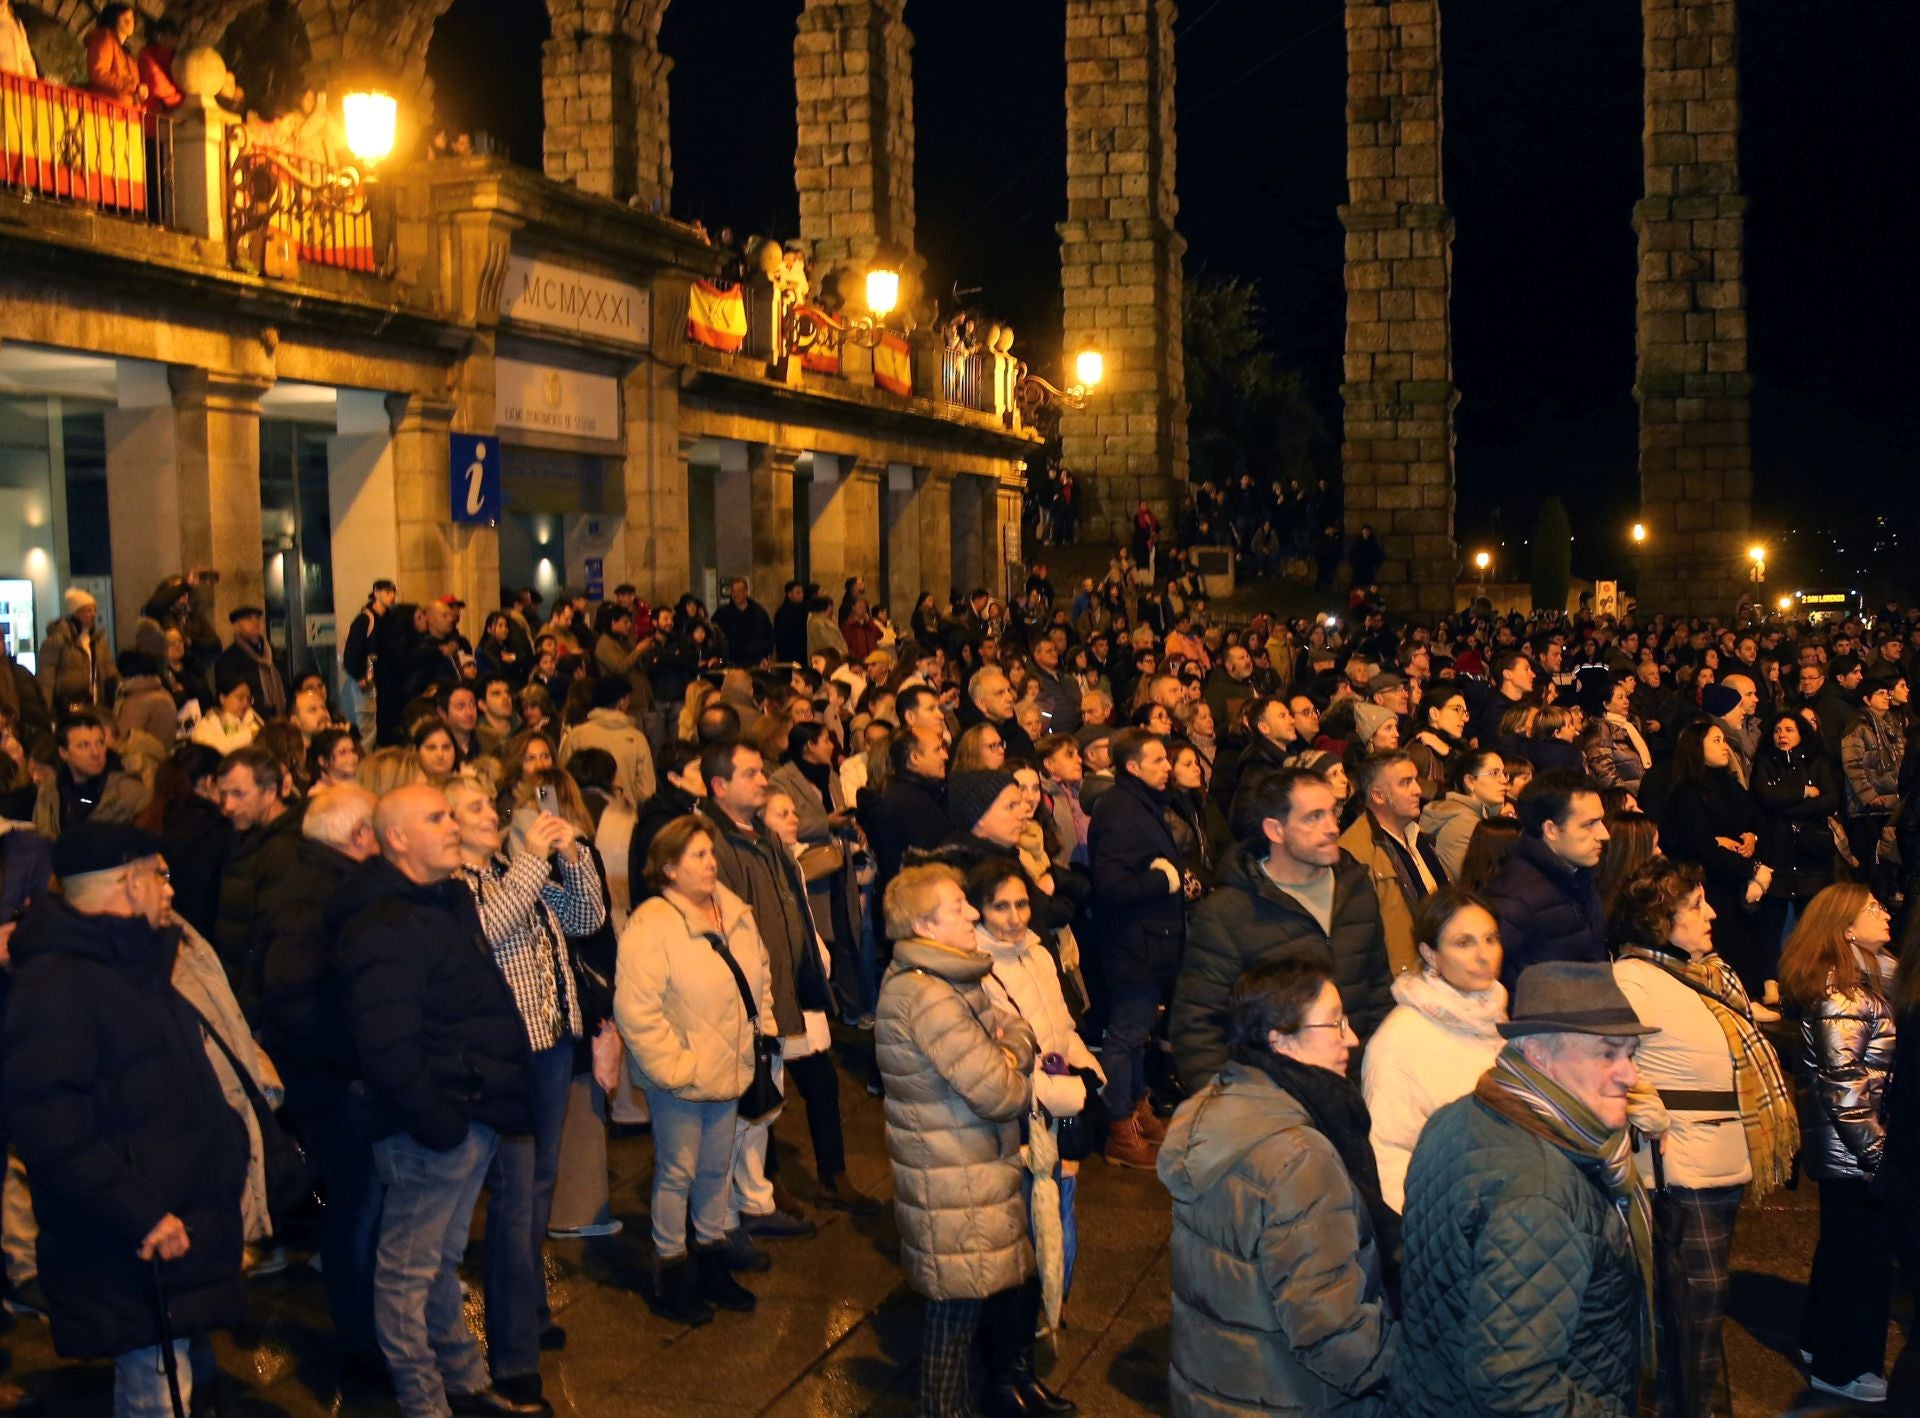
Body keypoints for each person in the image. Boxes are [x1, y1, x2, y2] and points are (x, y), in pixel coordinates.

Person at [4, 823, 249, 1416]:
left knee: (166, 1381)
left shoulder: (131, 967)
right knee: (157, 1393)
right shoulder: (60, 984)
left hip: (173, 1228)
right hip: (130, 1243)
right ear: (130, 883)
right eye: (160, 875)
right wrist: (143, 1215)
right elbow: (52, 1129)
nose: (170, 890)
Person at [329, 784, 542, 1418]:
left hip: (466, 1115)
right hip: (434, 1126)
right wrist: (443, 1123)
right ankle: (425, 1402)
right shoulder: (383, 924)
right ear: (396, 838)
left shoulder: (439, 901)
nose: (453, 826)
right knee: (407, 1276)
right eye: (436, 817)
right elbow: (388, 1044)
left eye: (453, 815)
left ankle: (466, 1386)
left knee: (439, 1263)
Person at [1393, 961, 1654, 1416]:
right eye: (1607, 1053)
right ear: (1537, 1053)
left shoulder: (1457, 1118)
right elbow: (1515, 1384)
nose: (1629, 1075)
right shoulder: (1542, 1190)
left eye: (1630, 1054)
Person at [1160, 957, 1397, 1415]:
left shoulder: (1221, 1107)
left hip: (1221, 1390)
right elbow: (1330, 1329)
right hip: (1296, 1398)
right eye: (1335, 1023)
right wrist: (1410, 1369)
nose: (1351, 1037)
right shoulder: (1300, 1156)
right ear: (1280, 1039)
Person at [1608, 857, 1795, 1418]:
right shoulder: (1633, 979)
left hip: (1721, 1158)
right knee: (1693, 1306)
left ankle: (1694, 1403)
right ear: (1659, 919)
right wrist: (1650, 1114)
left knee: (1699, 1308)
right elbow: (1613, 1063)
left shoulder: (1708, 972)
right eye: (1694, 906)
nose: (1710, 913)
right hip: (1681, 1168)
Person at [441, 776, 604, 1407]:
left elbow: (586, 917)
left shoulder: (517, 869)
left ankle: (530, 1310)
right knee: (511, 1199)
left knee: (539, 1185)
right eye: (477, 807)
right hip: (504, 1058)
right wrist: (536, 863)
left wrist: (572, 854)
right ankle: (512, 1358)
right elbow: (488, 932)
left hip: (552, 1043)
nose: (496, 813)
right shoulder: (458, 885)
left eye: (492, 804)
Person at [875, 864, 1044, 1418]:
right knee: (955, 1315)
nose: (974, 912)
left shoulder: (951, 980)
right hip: (954, 1180)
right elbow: (1000, 1094)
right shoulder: (929, 997)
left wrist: (1007, 1049)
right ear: (924, 925)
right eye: (958, 908)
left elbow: (1019, 1028)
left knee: (968, 1306)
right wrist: (1009, 1058)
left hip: (966, 1172)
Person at [254, 784, 389, 1382]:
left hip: (332, 1077)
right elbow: (295, 996)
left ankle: (368, 1329)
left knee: (358, 1201)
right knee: (356, 1204)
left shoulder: (316, 880)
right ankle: (362, 1341)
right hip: (333, 1083)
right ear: (359, 835)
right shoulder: (317, 893)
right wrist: (354, 1059)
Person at [617, 815, 773, 1324]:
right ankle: (671, 1269)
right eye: (699, 856)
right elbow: (638, 1010)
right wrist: (676, 1066)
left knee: (714, 1169)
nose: (712, 863)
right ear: (667, 868)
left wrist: (760, 1031)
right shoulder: (652, 924)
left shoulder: (733, 911)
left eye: (712, 853)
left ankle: (711, 1259)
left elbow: (760, 975)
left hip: (729, 1068)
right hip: (681, 1079)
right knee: (677, 1172)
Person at [1173, 768, 1393, 1091]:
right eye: (1313, 817)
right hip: (1277, 1103)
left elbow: (1377, 990)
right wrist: (1235, 1112)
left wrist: (1378, 1078)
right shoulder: (1227, 914)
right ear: (1275, 830)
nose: (1333, 827)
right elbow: (1198, 1030)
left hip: (1358, 1090)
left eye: (1332, 812)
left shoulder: (1356, 888)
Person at [967, 859, 1101, 1330]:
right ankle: (1025, 1310)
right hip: (1022, 1110)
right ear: (977, 910)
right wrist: (1059, 1091)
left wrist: (1086, 1068)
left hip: (1059, 1099)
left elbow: (1061, 1025)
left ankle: (1053, 1300)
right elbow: (999, 1056)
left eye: (1021, 903)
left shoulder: (1039, 953)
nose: (1014, 917)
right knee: (1026, 1212)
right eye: (999, 906)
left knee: (1061, 1201)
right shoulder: (977, 972)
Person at [1778, 882, 1896, 1404]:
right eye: (1872, 908)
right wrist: (1877, 1153)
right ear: (1846, 927)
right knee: (1860, 1257)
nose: (1886, 912)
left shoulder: (1862, 980)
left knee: (1843, 1249)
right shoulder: (1845, 991)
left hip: (1849, 1146)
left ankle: (1818, 1344)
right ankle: (1841, 1365)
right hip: (1855, 1149)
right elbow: (1842, 1080)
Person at [1362, 886, 1507, 1213]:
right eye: (1464, 943)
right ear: (1430, 954)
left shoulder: (1491, 1014)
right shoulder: (1399, 1041)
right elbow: (1388, 1157)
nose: (1484, 955)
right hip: (1446, 1224)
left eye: (1491, 938)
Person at [1087, 728, 1187, 1167]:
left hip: (1151, 944)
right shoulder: (1120, 810)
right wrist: (1161, 880)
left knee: (1138, 1033)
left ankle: (1136, 1107)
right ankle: (1119, 1128)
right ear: (1132, 766)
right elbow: (1110, 888)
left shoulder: (1141, 804)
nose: (1168, 767)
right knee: (1126, 1036)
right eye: (1158, 761)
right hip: (1135, 947)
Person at [1660, 722, 1770, 1000]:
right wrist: (1751, 869)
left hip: (1736, 878)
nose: (1725, 747)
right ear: (1698, 747)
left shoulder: (1727, 782)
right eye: (1717, 740)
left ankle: (1751, 992)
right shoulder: (1686, 790)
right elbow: (1699, 844)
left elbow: (1755, 816)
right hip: (1713, 881)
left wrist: (1751, 837)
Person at [1480, 770, 1609, 996]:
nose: (1604, 834)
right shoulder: (1514, 896)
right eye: (1589, 824)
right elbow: (1483, 979)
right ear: (1550, 830)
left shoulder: (1579, 875)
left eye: (1601, 821)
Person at [1749, 707, 1841, 1007]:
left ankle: (1812, 981)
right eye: (1777, 730)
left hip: (1811, 853)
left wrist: (1786, 803)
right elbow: (1763, 797)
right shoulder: (1764, 762)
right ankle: (1770, 981)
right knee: (1771, 922)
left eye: (1788, 730)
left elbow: (1828, 801)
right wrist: (1803, 791)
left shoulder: (1817, 761)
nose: (1782, 735)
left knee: (1812, 922)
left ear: (1801, 733)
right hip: (1776, 851)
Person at [1338, 752, 1445, 978]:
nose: (1418, 789)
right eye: (1406, 783)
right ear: (1378, 796)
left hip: (1434, 970)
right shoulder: (1356, 852)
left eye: (1415, 780)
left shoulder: (1416, 835)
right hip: (1402, 981)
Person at [558, 675, 655, 807]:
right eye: (628, 699)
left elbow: (563, 779)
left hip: (584, 814)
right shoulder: (637, 738)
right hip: (624, 816)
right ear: (621, 701)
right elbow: (646, 791)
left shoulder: (576, 735)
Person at [1418, 749, 1509, 882]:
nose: (1504, 780)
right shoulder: (1462, 822)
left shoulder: (1476, 816)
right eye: (1494, 773)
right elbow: (1473, 882)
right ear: (1470, 781)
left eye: (1504, 773)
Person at [35, 588, 115, 709]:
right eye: (88, 611)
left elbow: (109, 669)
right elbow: (46, 679)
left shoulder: (99, 640)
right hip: (67, 705)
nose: (93, 614)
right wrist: (45, 709)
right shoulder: (57, 641)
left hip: (96, 702)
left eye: (94, 610)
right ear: (76, 613)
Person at [84, 4, 144, 105]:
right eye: (124, 18)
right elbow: (98, 73)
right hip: (105, 109)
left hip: (123, 111)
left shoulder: (127, 53)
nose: (130, 22)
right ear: (113, 20)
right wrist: (133, 87)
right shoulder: (104, 39)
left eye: (132, 18)